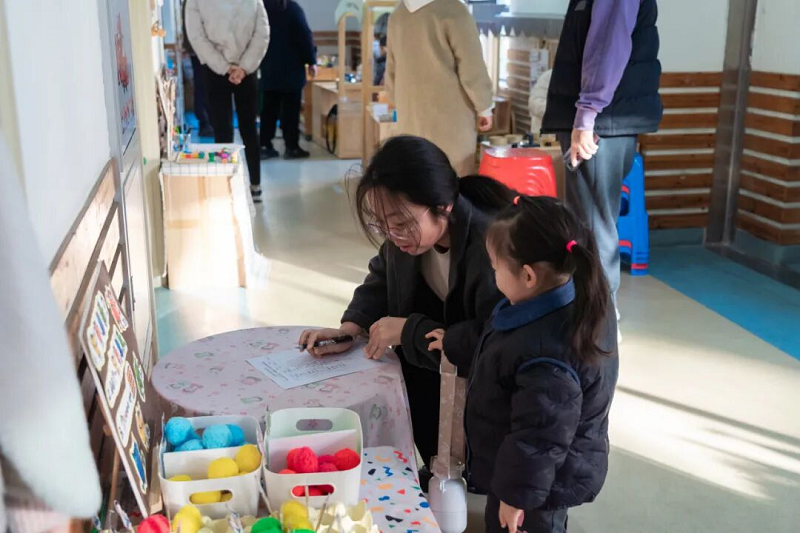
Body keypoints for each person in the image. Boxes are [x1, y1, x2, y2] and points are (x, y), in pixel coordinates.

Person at [299, 136, 510, 470]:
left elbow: (496, 341)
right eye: (381, 225)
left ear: (443, 206)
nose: (392, 235)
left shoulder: (493, 247)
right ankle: (439, 467)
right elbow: (381, 279)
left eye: (399, 223)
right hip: (432, 378)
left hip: (483, 393)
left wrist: (410, 331)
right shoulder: (404, 241)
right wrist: (349, 329)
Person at [460, 195, 618, 533]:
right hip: (527, 472)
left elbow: (540, 437)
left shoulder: (548, 357)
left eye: (494, 265)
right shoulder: (561, 299)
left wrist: (516, 496)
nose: (492, 272)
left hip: (540, 484)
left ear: (528, 276)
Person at [541, 0, 662, 310]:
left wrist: (586, 115)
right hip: (604, 119)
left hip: (600, 122)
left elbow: (608, 45)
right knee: (591, 223)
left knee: (591, 227)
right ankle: (596, 314)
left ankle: (598, 318)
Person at [386, 0, 494, 176]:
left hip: (410, 115)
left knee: (418, 180)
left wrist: (396, 101)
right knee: (452, 177)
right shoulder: (453, 10)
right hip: (451, 119)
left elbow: (391, 70)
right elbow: (472, 66)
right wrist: (484, 106)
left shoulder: (398, 15)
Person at [185, 0, 270, 202]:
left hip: (237, 70)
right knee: (229, 130)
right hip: (226, 71)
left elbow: (262, 32)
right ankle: (232, 184)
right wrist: (232, 67)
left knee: (241, 129)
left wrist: (239, 67)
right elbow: (197, 36)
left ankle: (246, 184)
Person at [259, 0, 316, 160]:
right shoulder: (292, 9)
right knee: (291, 111)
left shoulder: (261, 8)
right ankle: (291, 147)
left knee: (268, 109)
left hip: (269, 68)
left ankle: (264, 145)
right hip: (291, 68)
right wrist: (311, 60)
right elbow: (305, 36)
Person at [182, 0, 213, 138]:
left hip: (201, 49)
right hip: (200, 49)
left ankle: (207, 121)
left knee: (203, 85)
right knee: (203, 85)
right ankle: (205, 122)